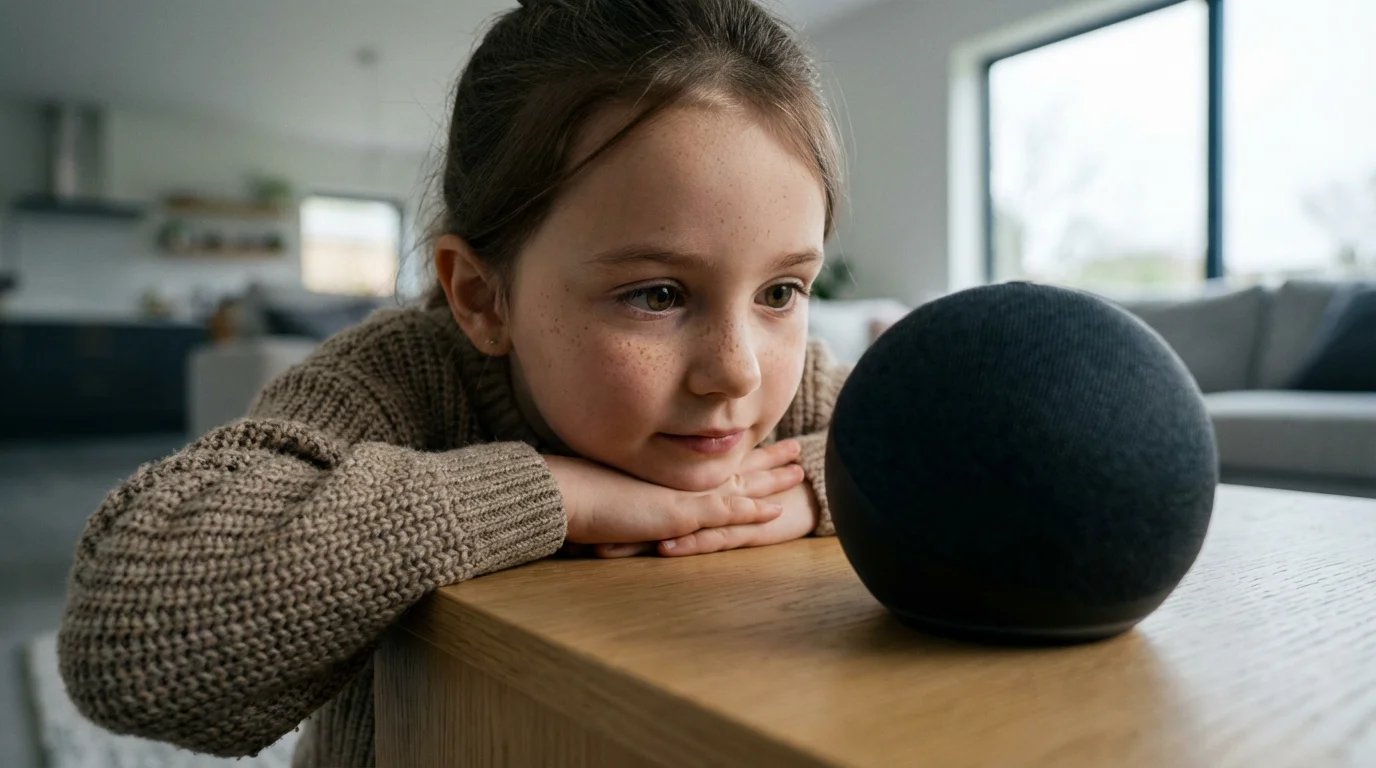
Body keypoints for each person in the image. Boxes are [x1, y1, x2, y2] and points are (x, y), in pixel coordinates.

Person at [57, 0, 849, 765]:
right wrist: (552, 495)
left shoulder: (790, 389)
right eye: (658, 295)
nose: (738, 370)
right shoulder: (398, 380)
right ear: (480, 296)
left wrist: (823, 486)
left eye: (781, 292)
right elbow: (126, 635)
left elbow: (968, 441)